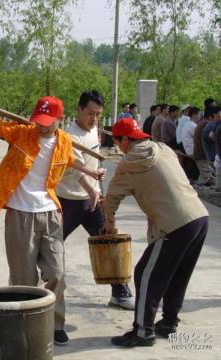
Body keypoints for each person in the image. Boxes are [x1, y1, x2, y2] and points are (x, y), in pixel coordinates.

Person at [0, 96, 106, 345]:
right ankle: (25, 324)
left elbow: (70, 160)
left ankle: (55, 324)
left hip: (50, 213)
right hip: (20, 214)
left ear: (60, 119)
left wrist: (91, 175)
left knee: (56, 273)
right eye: (39, 120)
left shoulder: (65, 140)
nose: (42, 126)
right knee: (23, 279)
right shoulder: (22, 133)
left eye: (48, 122)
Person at [102, 118, 209, 347]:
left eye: (118, 141)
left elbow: (111, 198)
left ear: (125, 140)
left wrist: (109, 221)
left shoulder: (129, 161)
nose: (119, 147)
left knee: (145, 274)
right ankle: (169, 322)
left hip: (174, 224)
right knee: (177, 274)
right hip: (199, 217)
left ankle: (143, 331)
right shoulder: (164, 149)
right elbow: (160, 181)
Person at [56, 90, 135, 310]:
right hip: (68, 201)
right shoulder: (68, 137)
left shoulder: (93, 133)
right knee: (51, 246)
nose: (94, 119)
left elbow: (93, 167)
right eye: (90, 113)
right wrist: (92, 192)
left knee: (109, 243)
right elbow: (76, 170)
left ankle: (119, 292)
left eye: (98, 114)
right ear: (78, 110)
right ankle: (38, 290)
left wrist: (98, 193)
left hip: (93, 202)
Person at [194, 106, 216, 186]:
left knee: (208, 174)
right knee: (206, 173)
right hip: (202, 154)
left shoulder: (203, 123)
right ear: (211, 116)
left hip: (201, 154)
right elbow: (211, 138)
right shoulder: (207, 124)